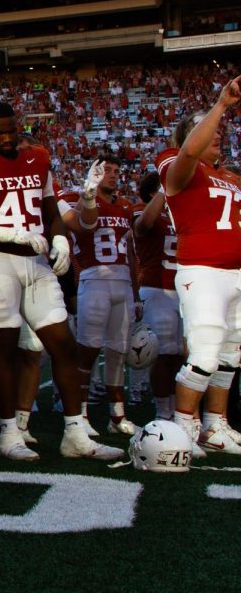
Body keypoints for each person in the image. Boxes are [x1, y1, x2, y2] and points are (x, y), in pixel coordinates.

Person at [0, 102, 122, 462]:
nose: (8, 138)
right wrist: (8, 234)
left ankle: (74, 432)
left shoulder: (37, 157)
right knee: (6, 345)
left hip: (35, 260)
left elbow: (50, 212)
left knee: (63, 344)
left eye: (12, 130)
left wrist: (59, 239)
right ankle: (9, 432)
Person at [158, 86, 241, 453]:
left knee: (230, 353)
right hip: (202, 271)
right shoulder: (174, 162)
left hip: (235, 271)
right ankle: (184, 427)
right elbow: (191, 149)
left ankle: (215, 425)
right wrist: (221, 105)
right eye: (206, 129)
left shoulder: (232, 177)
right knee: (204, 352)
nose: (216, 135)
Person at [67, 156, 142, 434]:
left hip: (122, 282)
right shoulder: (84, 201)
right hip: (94, 279)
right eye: (106, 170)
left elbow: (132, 254)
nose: (111, 175)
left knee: (118, 352)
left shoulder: (125, 206)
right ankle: (81, 416)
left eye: (115, 171)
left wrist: (135, 294)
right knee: (87, 351)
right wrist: (88, 192)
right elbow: (75, 222)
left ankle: (117, 416)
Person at [133, 171, 181, 422]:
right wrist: (165, 189)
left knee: (180, 355)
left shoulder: (180, 209)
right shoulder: (143, 208)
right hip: (157, 286)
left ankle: (177, 409)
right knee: (163, 354)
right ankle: (163, 411)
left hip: (184, 287)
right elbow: (144, 225)